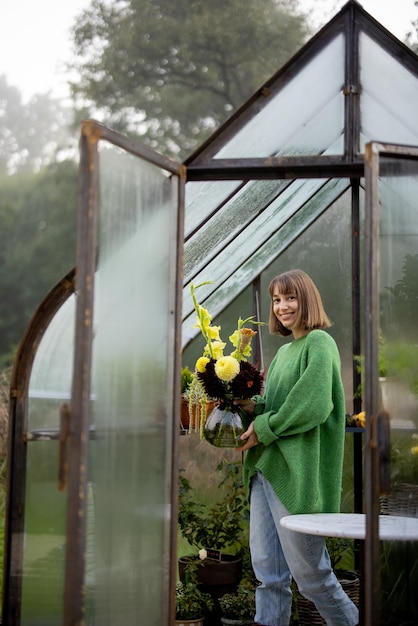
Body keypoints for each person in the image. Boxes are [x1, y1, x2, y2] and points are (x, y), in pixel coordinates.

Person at [235, 269, 359, 626]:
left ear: (306, 300)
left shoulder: (320, 343)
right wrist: (250, 408)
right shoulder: (285, 353)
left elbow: (313, 405)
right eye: (276, 300)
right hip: (266, 470)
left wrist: (264, 426)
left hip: (297, 474)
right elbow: (276, 407)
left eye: (290, 297)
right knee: (268, 578)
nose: (282, 306)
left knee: (313, 577)